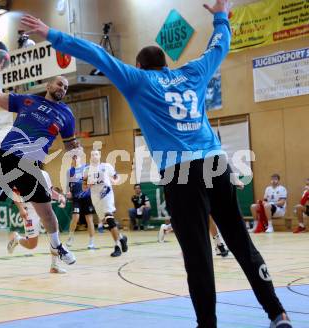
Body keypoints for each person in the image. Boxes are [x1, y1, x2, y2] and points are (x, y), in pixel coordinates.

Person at [21, 2, 292, 326]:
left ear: (139, 65)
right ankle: (278, 313)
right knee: (241, 242)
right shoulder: (192, 73)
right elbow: (220, 45)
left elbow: (96, 54)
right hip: (216, 164)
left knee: (199, 258)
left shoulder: (138, 81)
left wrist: (51, 34)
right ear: (165, 64)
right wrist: (220, 15)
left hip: (181, 174)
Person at [0, 67, 79, 276]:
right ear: (48, 86)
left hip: (32, 165)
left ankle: (57, 246)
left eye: (66, 87)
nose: (62, 88)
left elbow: (70, 144)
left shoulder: (66, 114)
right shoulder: (27, 100)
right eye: (59, 84)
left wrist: (76, 151)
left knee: (47, 212)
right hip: (7, 157)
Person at [7, 168, 67, 274]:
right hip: (29, 210)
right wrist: (21, 209)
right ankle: (17, 239)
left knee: (54, 235)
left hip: (45, 208)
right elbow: (15, 193)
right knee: (32, 245)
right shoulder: (21, 174)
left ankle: (55, 266)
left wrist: (59, 197)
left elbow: (50, 191)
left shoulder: (44, 174)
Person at [83, 150, 128, 257]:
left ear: (100, 156)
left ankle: (117, 246)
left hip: (106, 193)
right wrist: (88, 184)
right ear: (90, 157)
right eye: (92, 154)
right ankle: (121, 238)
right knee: (106, 222)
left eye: (96, 154)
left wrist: (115, 181)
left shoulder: (106, 166)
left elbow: (117, 177)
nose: (94, 156)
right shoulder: (87, 169)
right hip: (95, 198)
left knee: (109, 217)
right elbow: (84, 187)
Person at [66, 154, 96, 249]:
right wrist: (68, 192)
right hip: (76, 199)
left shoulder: (86, 167)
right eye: (73, 157)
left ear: (80, 158)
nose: (75, 159)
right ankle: (70, 237)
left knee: (89, 220)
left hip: (87, 198)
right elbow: (68, 185)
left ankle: (91, 242)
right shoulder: (70, 171)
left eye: (76, 157)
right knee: (75, 218)